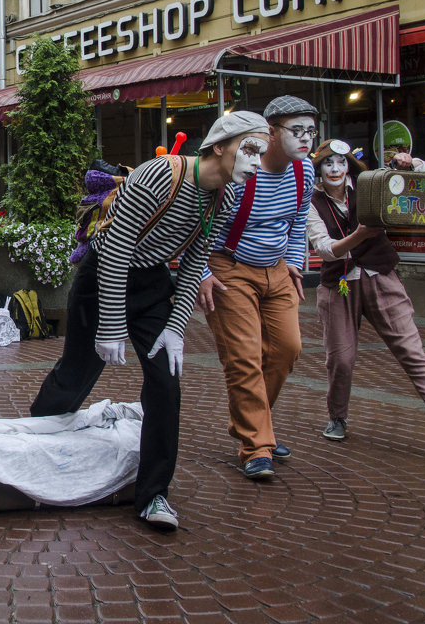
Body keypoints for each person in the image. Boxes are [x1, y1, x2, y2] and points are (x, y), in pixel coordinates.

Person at [31, 112, 271, 531]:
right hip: (103, 274)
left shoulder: (228, 195)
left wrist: (176, 327)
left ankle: (153, 494)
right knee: (77, 373)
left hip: (152, 281)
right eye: (249, 149)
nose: (256, 162)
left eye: (262, 153)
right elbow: (117, 245)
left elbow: (197, 259)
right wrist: (109, 326)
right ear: (219, 146)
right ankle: (33, 441)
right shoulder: (160, 175)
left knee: (166, 382)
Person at [306, 139, 425, 464]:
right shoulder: (312, 203)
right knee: (341, 360)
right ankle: (338, 416)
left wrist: (410, 164)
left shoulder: (369, 187)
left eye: (340, 163)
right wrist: (361, 233)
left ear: (348, 167)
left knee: (412, 352)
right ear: (319, 169)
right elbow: (326, 249)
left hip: (380, 277)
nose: (334, 169)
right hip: (339, 285)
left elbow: (420, 180)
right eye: (327, 163)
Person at [197, 95, 317, 481]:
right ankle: (256, 445)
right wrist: (202, 274)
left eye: (311, 132)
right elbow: (199, 228)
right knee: (244, 356)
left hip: (278, 269)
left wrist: (297, 264)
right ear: (272, 132)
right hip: (229, 268)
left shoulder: (304, 171)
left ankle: (251, 424)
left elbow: (298, 222)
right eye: (296, 131)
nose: (306, 140)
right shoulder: (242, 170)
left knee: (287, 349)